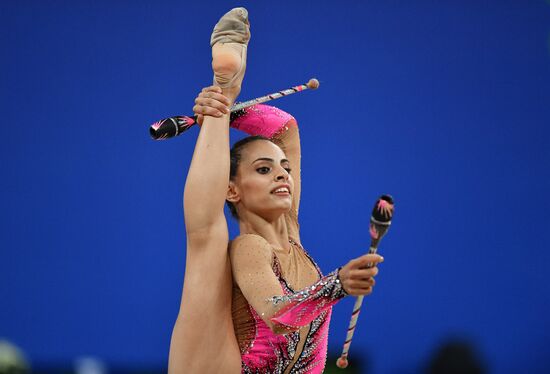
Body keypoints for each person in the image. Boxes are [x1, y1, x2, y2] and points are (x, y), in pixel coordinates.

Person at [168, 7, 383, 373]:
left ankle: (224, 93)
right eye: (264, 170)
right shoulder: (250, 247)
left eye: (285, 168)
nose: (282, 175)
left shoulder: (291, 233)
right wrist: (338, 284)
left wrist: (227, 110)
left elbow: (285, 128)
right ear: (232, 190)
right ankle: (224, 87)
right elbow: (278, 314)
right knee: (204, 241)